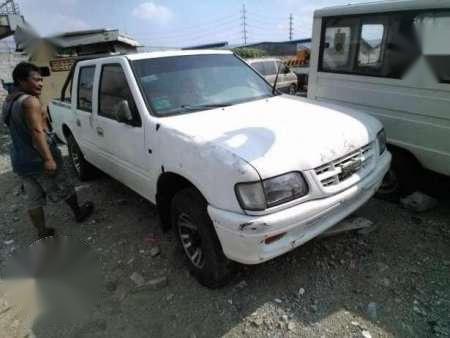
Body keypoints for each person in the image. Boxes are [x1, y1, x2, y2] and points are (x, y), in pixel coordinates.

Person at [1, 62, 94, 238]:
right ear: (21, 81)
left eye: (42, 80)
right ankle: (78, 212)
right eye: (36, 80)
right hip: (39, 158)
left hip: (20, 160)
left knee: (33, 198)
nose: (41, 84)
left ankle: (42, 232)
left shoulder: (9, 101)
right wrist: (48, 158)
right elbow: (37, 132)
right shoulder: (30, 102)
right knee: (64, 185)